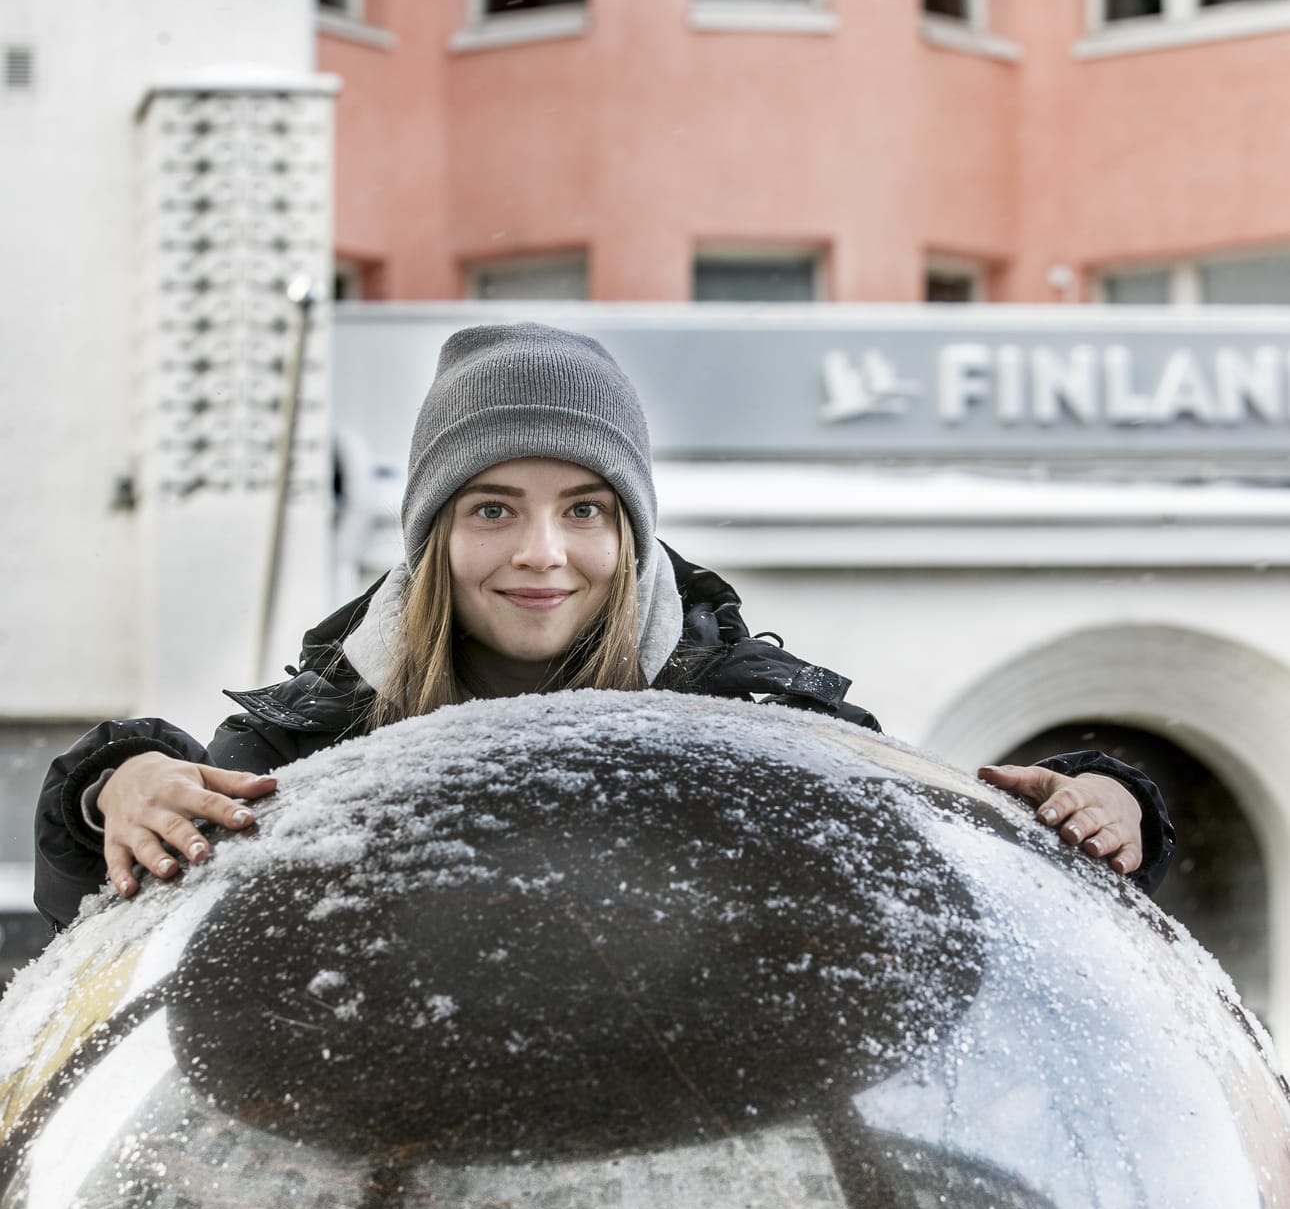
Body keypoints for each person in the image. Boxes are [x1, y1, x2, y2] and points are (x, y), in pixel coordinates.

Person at [34, 323, 1173, 932]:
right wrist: (113, 786)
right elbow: (123, 937)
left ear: (631, 533)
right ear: (433, 537)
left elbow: (920, 907)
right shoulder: (307, 744)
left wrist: (1103, 808)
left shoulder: (761, 723)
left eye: (585, 510)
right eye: (493, 509)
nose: (543, 552)